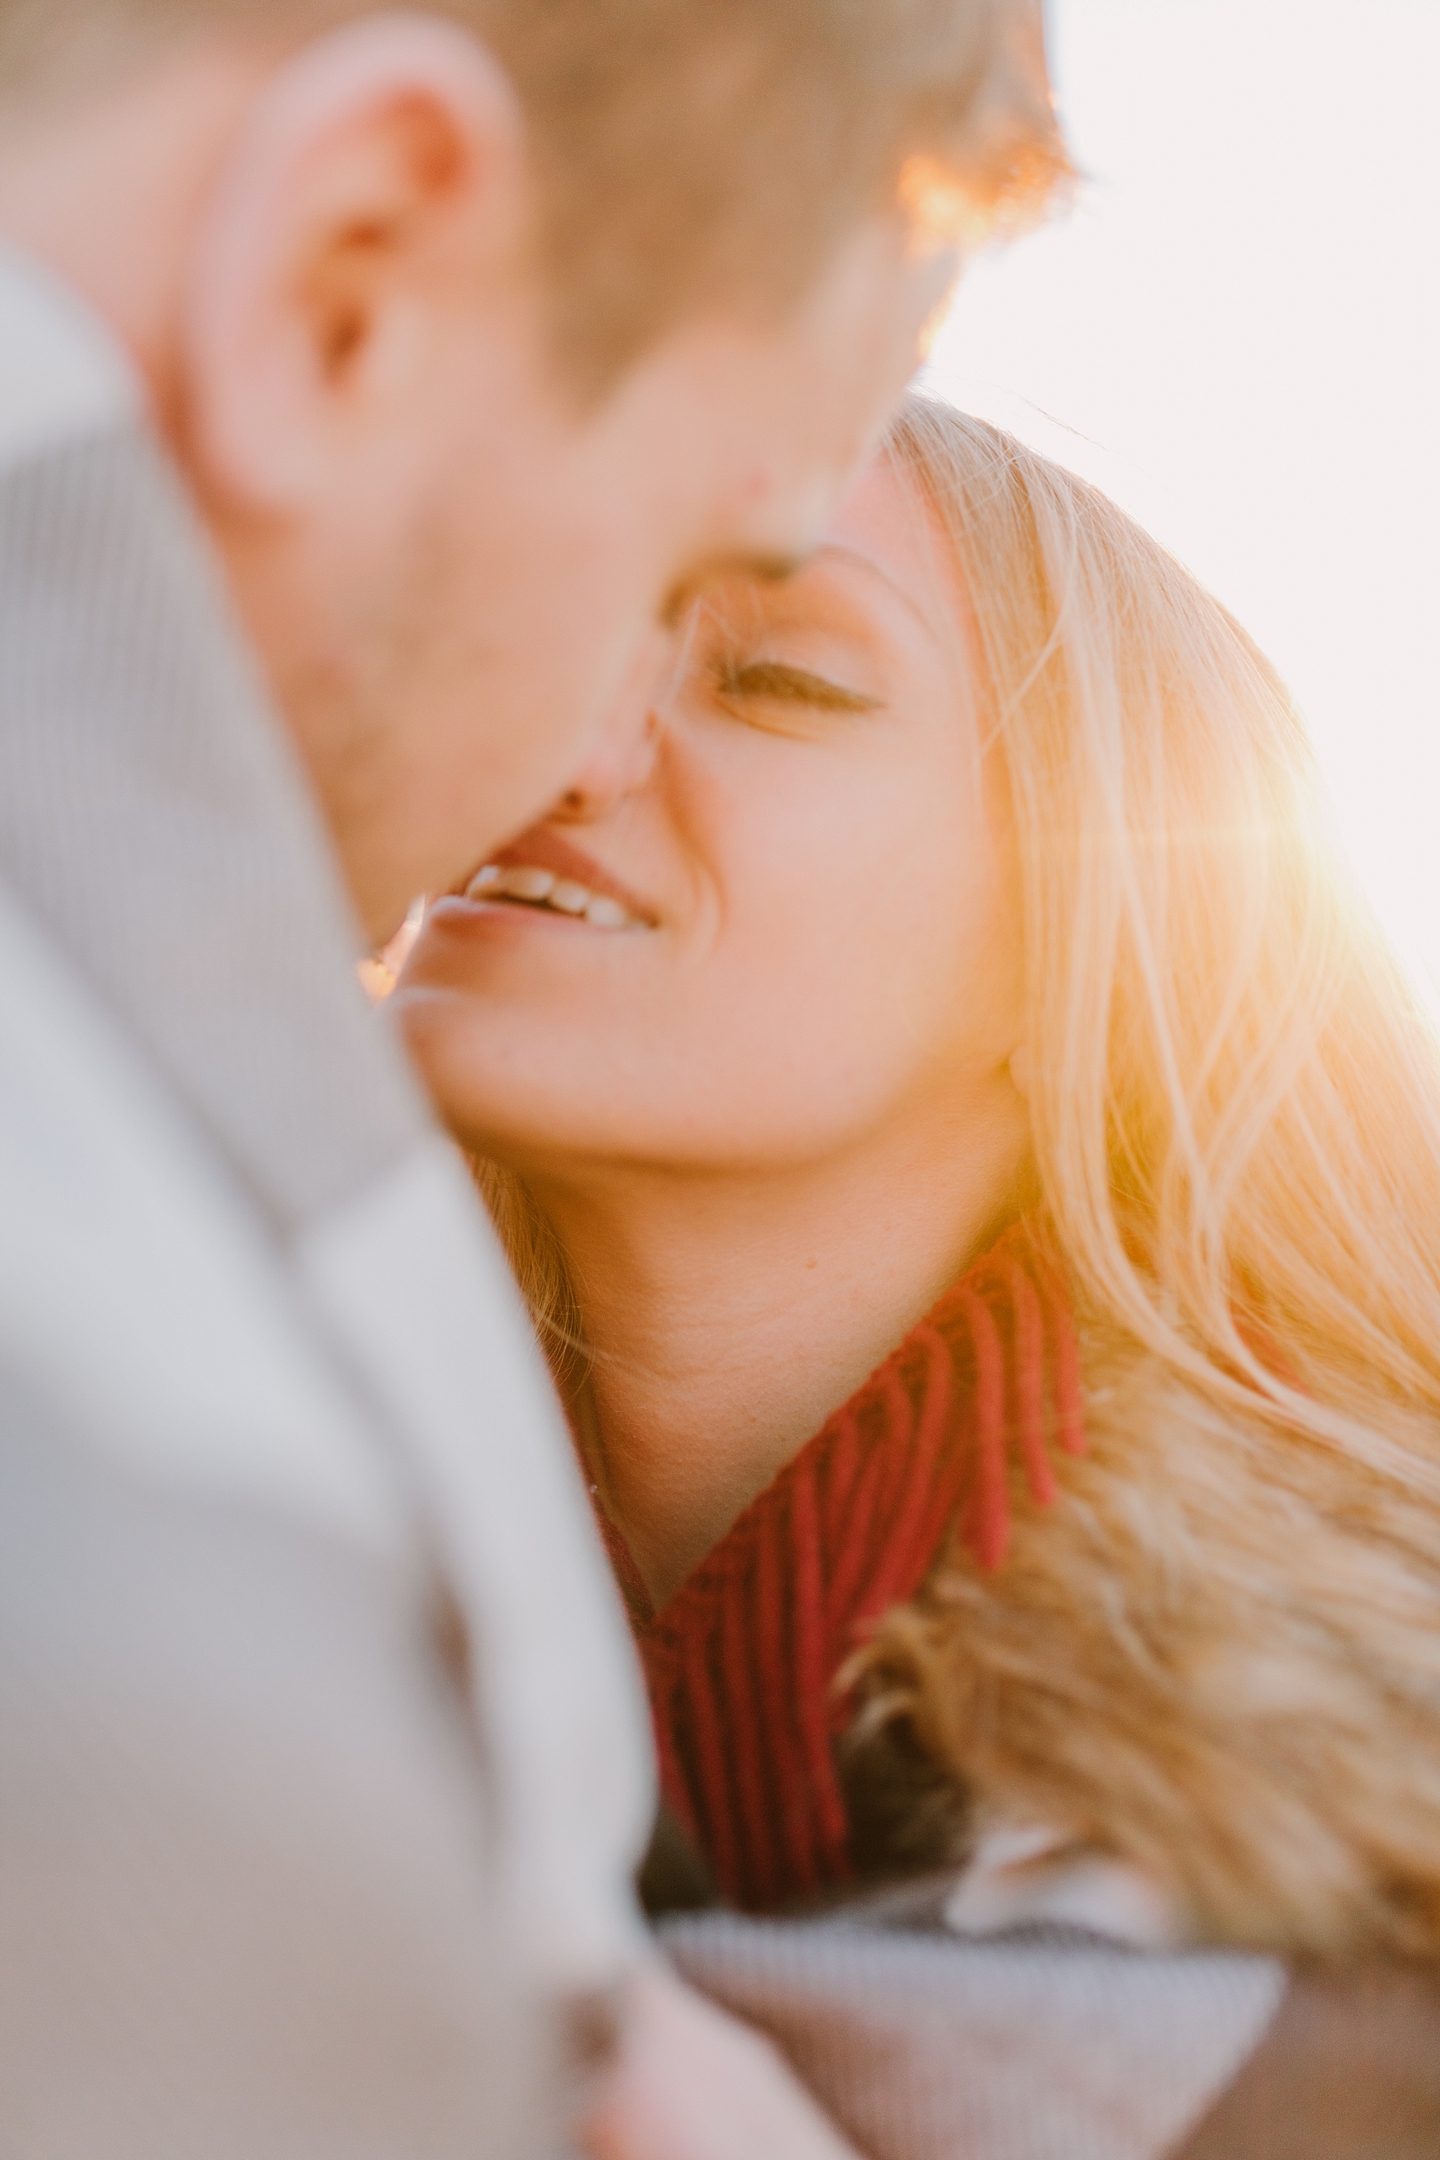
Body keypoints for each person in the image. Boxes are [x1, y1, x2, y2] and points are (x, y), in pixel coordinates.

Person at [0, 5, 1071, 2152]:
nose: (581, 763)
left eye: (748, 646)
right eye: (670, 568)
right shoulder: (177, 1557)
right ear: (349, 271)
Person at [398, 395, 1440, 2151]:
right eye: (548, 633)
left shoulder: (1350, 1865)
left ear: (1081, 956)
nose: (560, 745)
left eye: (781, 681)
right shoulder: (184, 1518)